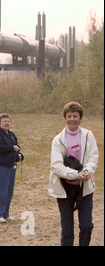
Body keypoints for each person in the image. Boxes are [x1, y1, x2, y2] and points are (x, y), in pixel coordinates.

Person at [49, 102, 99, 246]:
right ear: (65, 118)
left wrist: (86, 172)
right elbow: (56, 166)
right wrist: (76, 174)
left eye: (75, 116)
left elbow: (93, 157)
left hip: (84, 188)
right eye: (69, 116)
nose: (72, 119)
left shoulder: (88, 136)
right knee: (67, 231)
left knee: (86, 226)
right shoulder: (58, 140)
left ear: (80, 118)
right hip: (64, 189)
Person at [0, 113, 20, 223]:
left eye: (8, 121)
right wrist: (12, 147)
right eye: (4, 121)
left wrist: (18, 152)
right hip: (0, 166)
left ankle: (5, 213)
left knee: (9, 191)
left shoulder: (11, 134)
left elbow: (17, 146)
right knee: (0, 191)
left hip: (11, 165)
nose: (6, 123)